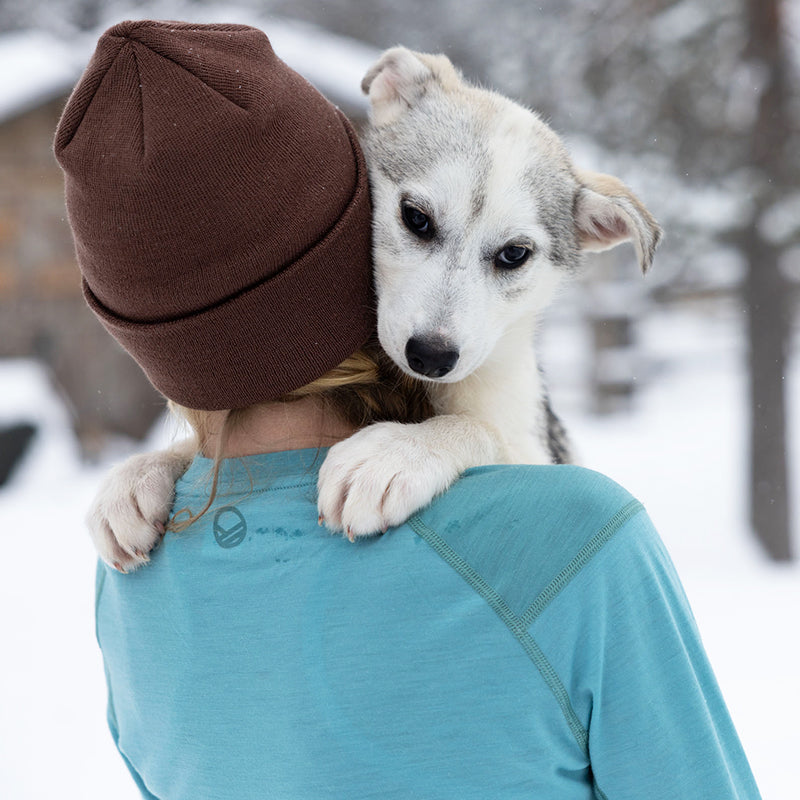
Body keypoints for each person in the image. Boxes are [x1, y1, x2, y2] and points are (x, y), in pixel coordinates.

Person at [56, 20, 762, 800]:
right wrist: (169, 464)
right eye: (418, 224)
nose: (438, 330)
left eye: (511, 257)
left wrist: (443, 441)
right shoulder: (585, 550)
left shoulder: (134, 587)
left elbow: (512, 447)